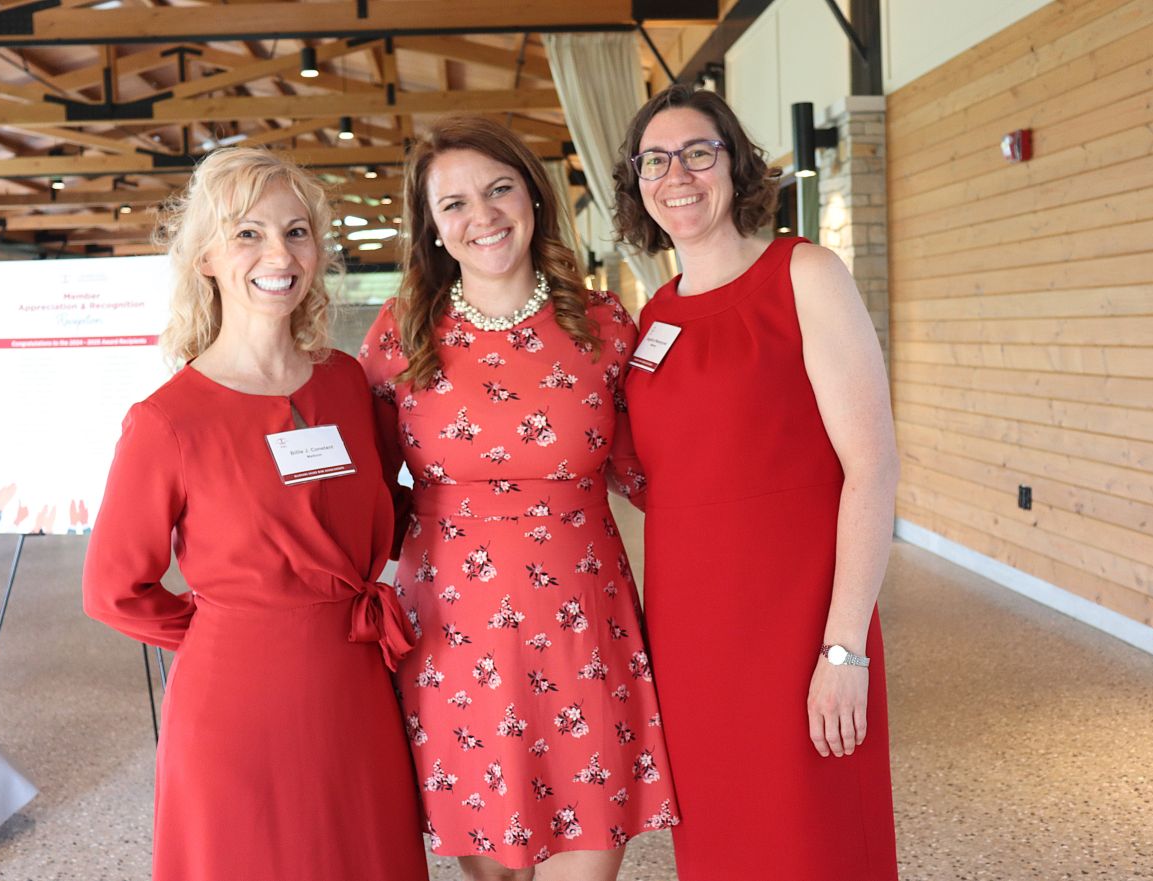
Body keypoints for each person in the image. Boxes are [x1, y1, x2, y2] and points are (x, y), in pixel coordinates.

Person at [81, 147, 428, 881]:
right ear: (206, 258)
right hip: (236, 701)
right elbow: (112, 589)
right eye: (248, 233)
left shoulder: (344, 382)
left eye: (296, 231)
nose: (279, 254)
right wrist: (230, 626)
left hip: (356, 685)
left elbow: (391, 508)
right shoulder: (167, 420)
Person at [359, 116, 679, 881]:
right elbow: (364, 488)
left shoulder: (604, 324)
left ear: (534, 194)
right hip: (452, 640)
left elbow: (653, 473)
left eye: (499, 188)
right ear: (432, 226)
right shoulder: (402, 333)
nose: (484, 215)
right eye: (455, 203)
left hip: (583, 635)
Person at [612, 84, 901, 880]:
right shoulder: (653, 318)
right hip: (691, 637)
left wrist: (844, 649)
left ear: (736, 163)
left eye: (697, 153)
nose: (677, 175)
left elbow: (872, 465)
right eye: (655, 160)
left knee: (816, 841)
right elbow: (659, 473)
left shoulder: (803, 273)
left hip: (798, 622)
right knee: (722, 847)